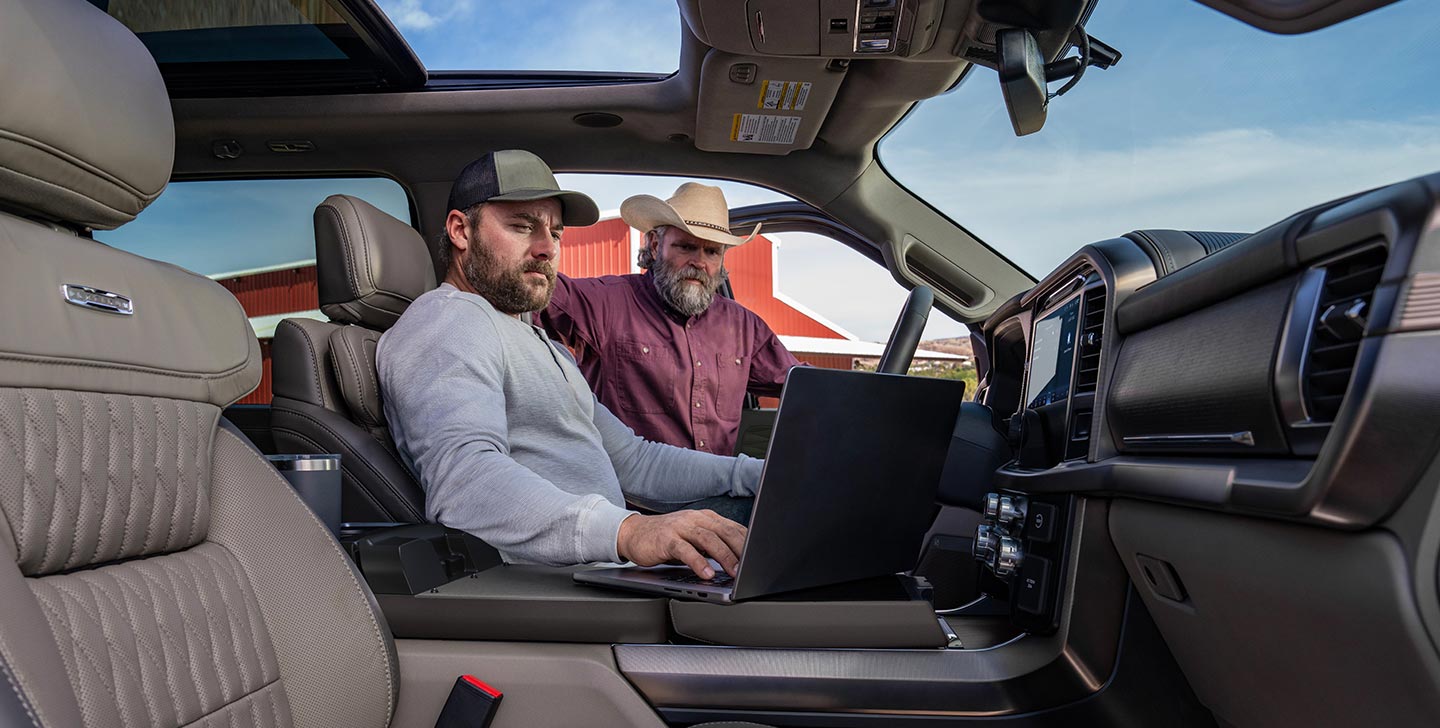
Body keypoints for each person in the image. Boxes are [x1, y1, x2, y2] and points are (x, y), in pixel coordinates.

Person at [378, 151, 760, 579]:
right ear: (460, 231)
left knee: (780, 510)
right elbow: (465, 483)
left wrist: (755, 473)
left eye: (555, 233)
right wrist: (628, 531)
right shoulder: (448, 320)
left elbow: (635, 461)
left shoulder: (541, 343)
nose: (546, 249)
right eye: (522, 226)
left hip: (604, 570)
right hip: (555, 594)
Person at [539, 182, 802, 457]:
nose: (699, 262)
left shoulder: (744, 328)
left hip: (717, 491)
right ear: (654, 245)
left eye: (712, 252)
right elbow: (534, 293)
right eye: (686, 247)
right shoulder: (606, 303)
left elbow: (804, 386)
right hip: (630, 496)